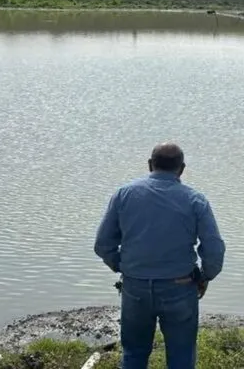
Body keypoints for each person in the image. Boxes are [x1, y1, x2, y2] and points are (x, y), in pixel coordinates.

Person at [94, 143, 226, 369]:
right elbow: (214, 249)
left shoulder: (124, 195)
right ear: (181, 169)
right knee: (181, 357)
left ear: (149, 165)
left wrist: (123, 266)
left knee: (134, 353)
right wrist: (205, 276)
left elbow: (102, 244)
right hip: (180, 287)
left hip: (135, 287)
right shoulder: (196, 200)